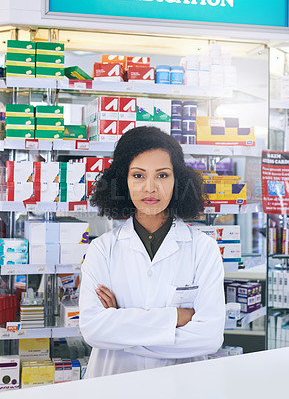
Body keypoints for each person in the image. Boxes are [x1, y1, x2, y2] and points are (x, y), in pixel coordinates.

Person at [79, 126, 225, 378]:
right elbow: (93, 330)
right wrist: (177, 318)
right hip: (114, 385)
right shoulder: (102, 249)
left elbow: (209, 337)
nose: (150, 188)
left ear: (177, 180)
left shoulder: (203, 248)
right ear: (122, 180)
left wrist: (120, 324)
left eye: (162, 175)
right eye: (138, 175)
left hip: (180, 385)